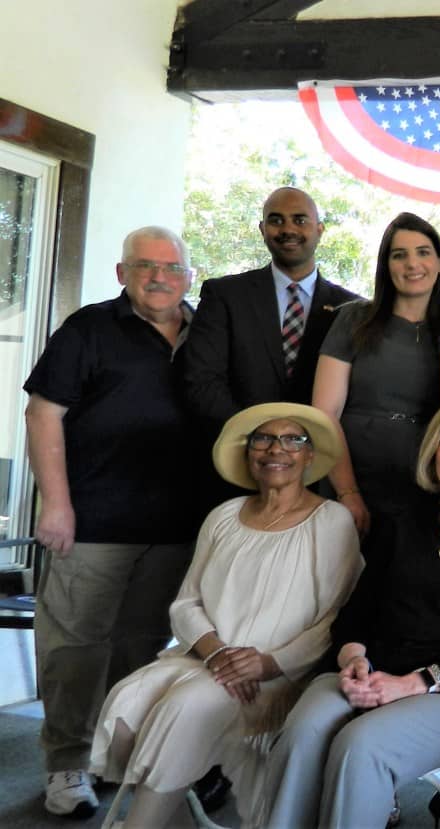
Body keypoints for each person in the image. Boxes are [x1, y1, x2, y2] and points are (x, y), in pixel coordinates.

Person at [263, 398, 440, 829]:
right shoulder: (401, 522)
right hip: (371, 673)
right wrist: (354, 660)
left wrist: (412, 684)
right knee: (303, 731)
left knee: (362, 744)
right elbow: (357, 612)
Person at [87, 402, 362, 827]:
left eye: (293, 439)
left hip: (274, 678)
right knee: (124, 709)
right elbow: (185, 603)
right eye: (264, 439)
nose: (276, 449)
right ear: (249, 452)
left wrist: (268, 663)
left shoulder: (331, 521)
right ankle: (177, 823)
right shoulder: (223, 516)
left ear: (310, 456)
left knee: (183, 707)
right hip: (203, 660)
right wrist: (217, 653)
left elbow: (336, 618)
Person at [21, 226, 203, 818]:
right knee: (74, 648)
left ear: (188, 277)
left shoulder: (205, 333)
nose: (159, 277)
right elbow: (43, 413)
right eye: (144, 266)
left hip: (176, 527)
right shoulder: (89, 329)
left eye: (171, 267)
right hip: (93, 521)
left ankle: (114, 756)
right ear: (122, 273)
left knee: (143, 649)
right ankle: (67, 762)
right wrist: (57, 504)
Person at [181, 187, 360, 501]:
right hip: (237, 473)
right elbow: (202, 383)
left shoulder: (352, 309)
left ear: (319, 229)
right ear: (263, 229)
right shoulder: (225, 295)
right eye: (276, 220)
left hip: (319, 477)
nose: (288, 229)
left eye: (300, 220)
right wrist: (263, 441)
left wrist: (301, 446)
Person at [312, 212, 440, 535]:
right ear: (386, 266)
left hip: (423, 490)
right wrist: (348, 492)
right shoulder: (354, 319)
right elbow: (324, 413)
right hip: (352, 482)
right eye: (399, 255)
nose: (412, 264)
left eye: (423, 252)